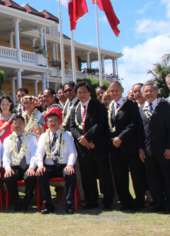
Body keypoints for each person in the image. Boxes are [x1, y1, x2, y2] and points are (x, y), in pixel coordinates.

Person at [69, 82, 114, 210]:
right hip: (83, 148)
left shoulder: (97, 105)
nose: (81, 94)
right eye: (79, 92)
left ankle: (108, 201)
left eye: (84, 92)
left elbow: (100, 124)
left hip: (97, 146)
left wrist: (88, 138)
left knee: (104, 175)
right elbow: (72, 126)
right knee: (87, 176)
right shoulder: (75, 108)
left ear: (89, 93)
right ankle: (92, 200)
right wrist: (82, 140)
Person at [107, 81, 146, 211]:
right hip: (116, 149)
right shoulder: (110, 107)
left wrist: (121, 138)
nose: (114, 93)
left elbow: (134, 124)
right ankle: (126, 202)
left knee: (136, 176)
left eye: (116, 90)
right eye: (112, 91)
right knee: (120, 177)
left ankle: (140, 201)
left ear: (122, 90)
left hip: (130, 146)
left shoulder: (130, 105)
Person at [139, 82, 170, 214]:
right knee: (153, 178)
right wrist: (141, 148)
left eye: (151, 91)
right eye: (146, 92)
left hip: (164, 149)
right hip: (148, 150)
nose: (148, 94)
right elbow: (140, 131)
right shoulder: (141, 108)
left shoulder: (166, 106)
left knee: (167, 177)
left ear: (156, 92)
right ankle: (158, 202)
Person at [35, 112, 78, 214]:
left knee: (70, 174)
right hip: (49, 165)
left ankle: (69, 204)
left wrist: (70, 165)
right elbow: (39, 153)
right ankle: (47, 205)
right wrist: (40, 165)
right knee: (41, 174)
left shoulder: (67, 135)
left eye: (55, 121)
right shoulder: (43, 136)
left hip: (64, 164)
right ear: (47, 123)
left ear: (59, 122)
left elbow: (73, 152)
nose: (53, 123)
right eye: (51, 121)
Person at [3, 115, 37, 212]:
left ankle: (26, 201)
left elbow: (35, 155)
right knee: (9, 177)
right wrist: (7, 168)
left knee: (31, 176)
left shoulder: (31, 138)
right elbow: (5, 156)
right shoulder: (8, 140)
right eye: (15, 123)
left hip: (27, 166)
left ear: (24, 124)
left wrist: (31, 167)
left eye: (20, 123)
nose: (18, 125)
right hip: (14, 166)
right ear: (12, 126)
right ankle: (16, 202)